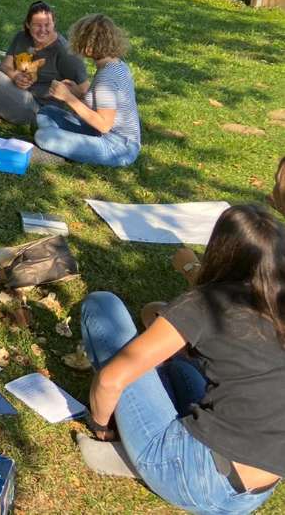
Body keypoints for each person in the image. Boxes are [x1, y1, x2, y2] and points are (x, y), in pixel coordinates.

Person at [79, 204, 284, 512]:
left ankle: (139, 457)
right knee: (180, 370)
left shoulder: (206, 302)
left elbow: (112, 379)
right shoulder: (276, 306)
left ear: (221, 250)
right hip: (253, 493)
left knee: (103, 308)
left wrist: (100, 424)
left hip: (198, 477)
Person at [0, 1, 88, 124]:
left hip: (35, 107)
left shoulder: (65, 52)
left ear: (54, 23)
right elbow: (5, 65)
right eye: (37, 25)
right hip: (13, 88)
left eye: (47, 25)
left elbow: (84, 90)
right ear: (28, 24)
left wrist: (67, 94)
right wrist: (15, 75)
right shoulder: (22, 37)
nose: (43, 30)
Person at [34, 13, 140, 167]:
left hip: (119, 148)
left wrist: (69, 98)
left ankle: (66, 149)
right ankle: (72, 148)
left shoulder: (107, 77)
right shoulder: (116, 64)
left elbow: (104, 125)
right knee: (47, 113)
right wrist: (79, 92)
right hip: (102, 134)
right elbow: (104, 105)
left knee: (44, 136)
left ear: (89, 46)